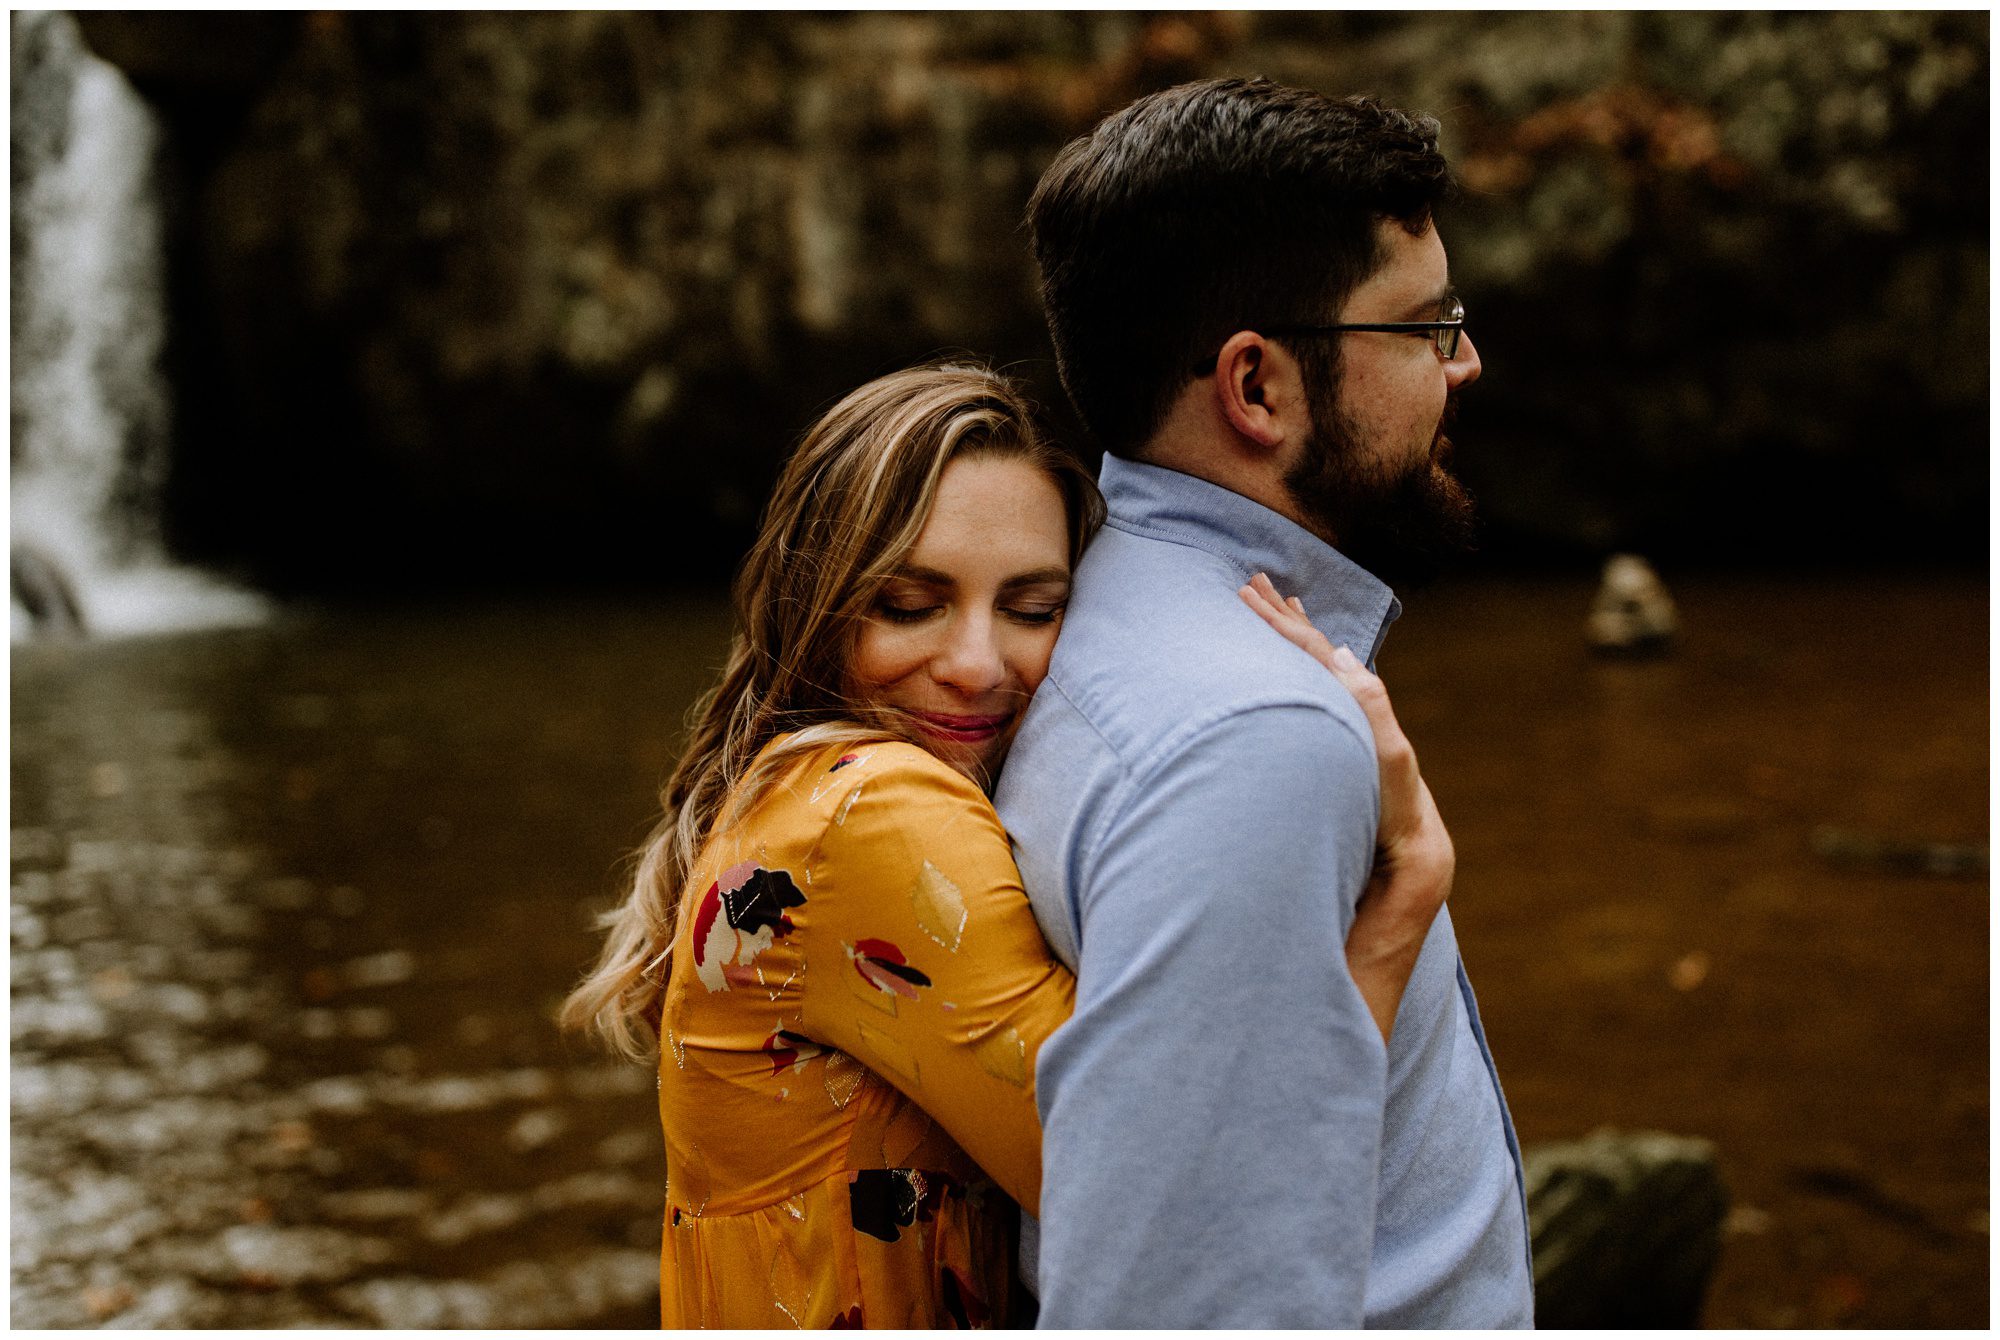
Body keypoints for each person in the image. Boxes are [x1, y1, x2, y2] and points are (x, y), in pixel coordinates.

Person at [561, 361, 1457, 1328]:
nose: (979, 666)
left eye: (1033, 610)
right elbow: (1183, 1202)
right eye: (909, 605)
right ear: (811, 607)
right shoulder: (869, 812)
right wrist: (1402, 902)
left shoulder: (790, 789)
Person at [992, 78, 1536, 1326]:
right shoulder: (1253, 737)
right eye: (1423, 325)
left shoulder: (1104, 618)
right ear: (1257, 388)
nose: (1465, 359)